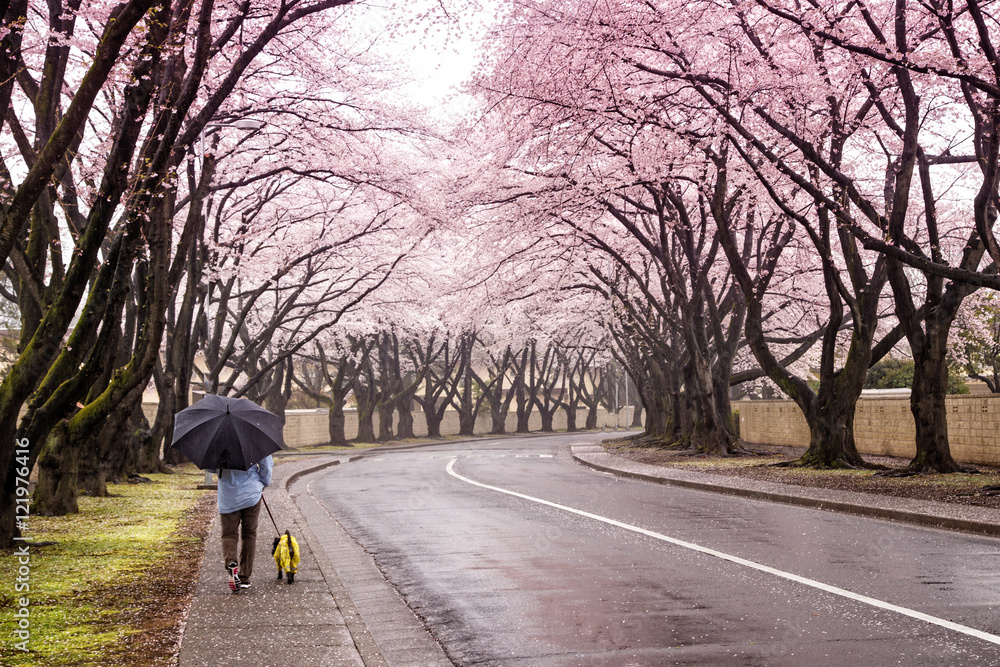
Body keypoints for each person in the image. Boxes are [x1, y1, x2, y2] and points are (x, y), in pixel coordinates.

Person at [218, 455, 273, 593]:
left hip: (228, 496)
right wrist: (264, 483)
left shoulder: (217, 442)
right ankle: (244, 577)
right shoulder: (254, 439)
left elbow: (211, 468)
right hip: (251, 493)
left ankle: (231, 561)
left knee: (228, 534)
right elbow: (266, 464)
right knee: (249, 534)